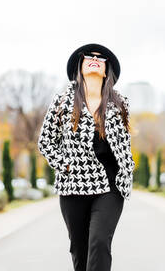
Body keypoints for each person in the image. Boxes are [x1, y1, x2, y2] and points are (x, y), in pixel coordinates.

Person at [37, 43, 135, 271]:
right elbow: (45, 142)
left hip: (110, 186)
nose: (94, 59)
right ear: (79, 66)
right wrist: (66, 166)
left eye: (100, 58)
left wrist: (127, 168)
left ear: (106, 69)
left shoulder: (120, 103)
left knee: (99, 243)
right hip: (73, 187)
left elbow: (124, 144)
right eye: (89, 56)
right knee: (79, 251)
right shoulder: (62, 102)